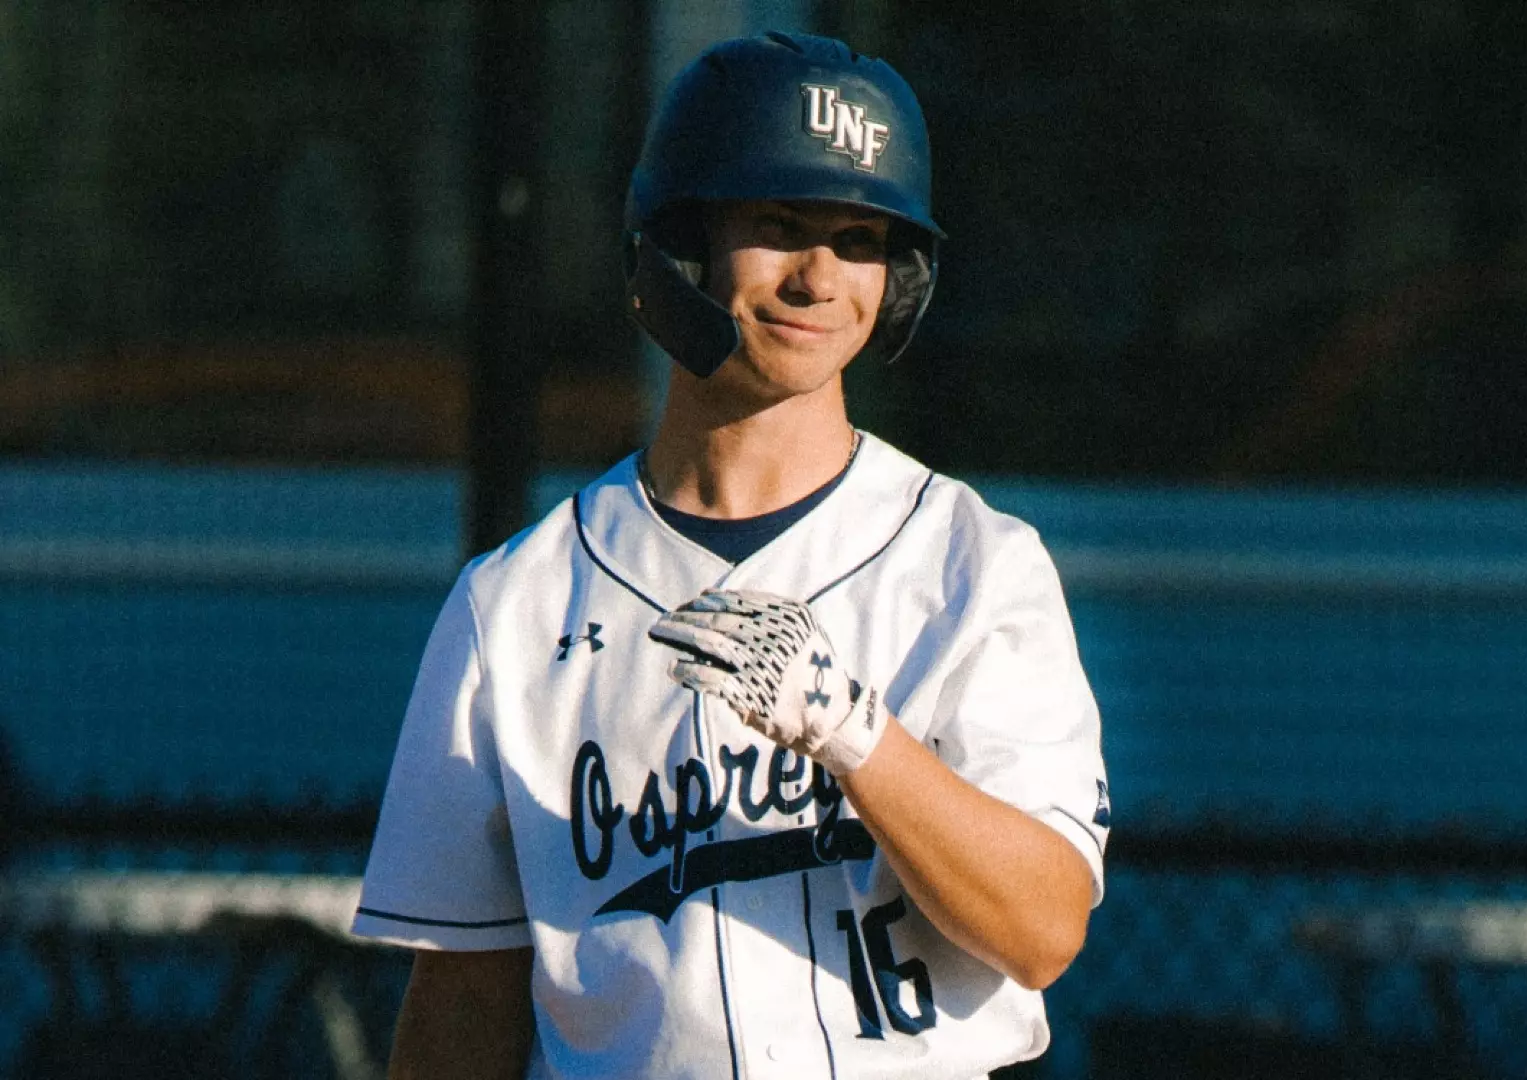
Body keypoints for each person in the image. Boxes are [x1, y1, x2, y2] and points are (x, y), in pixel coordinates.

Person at [353, 31, 1109, 1080]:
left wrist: (854, 734)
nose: (819, 277)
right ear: (679, 245)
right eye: (779, 226)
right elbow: (463, 1004)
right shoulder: (514, 605)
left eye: (859, 238)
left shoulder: (971, 564)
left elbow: (1045, 927)